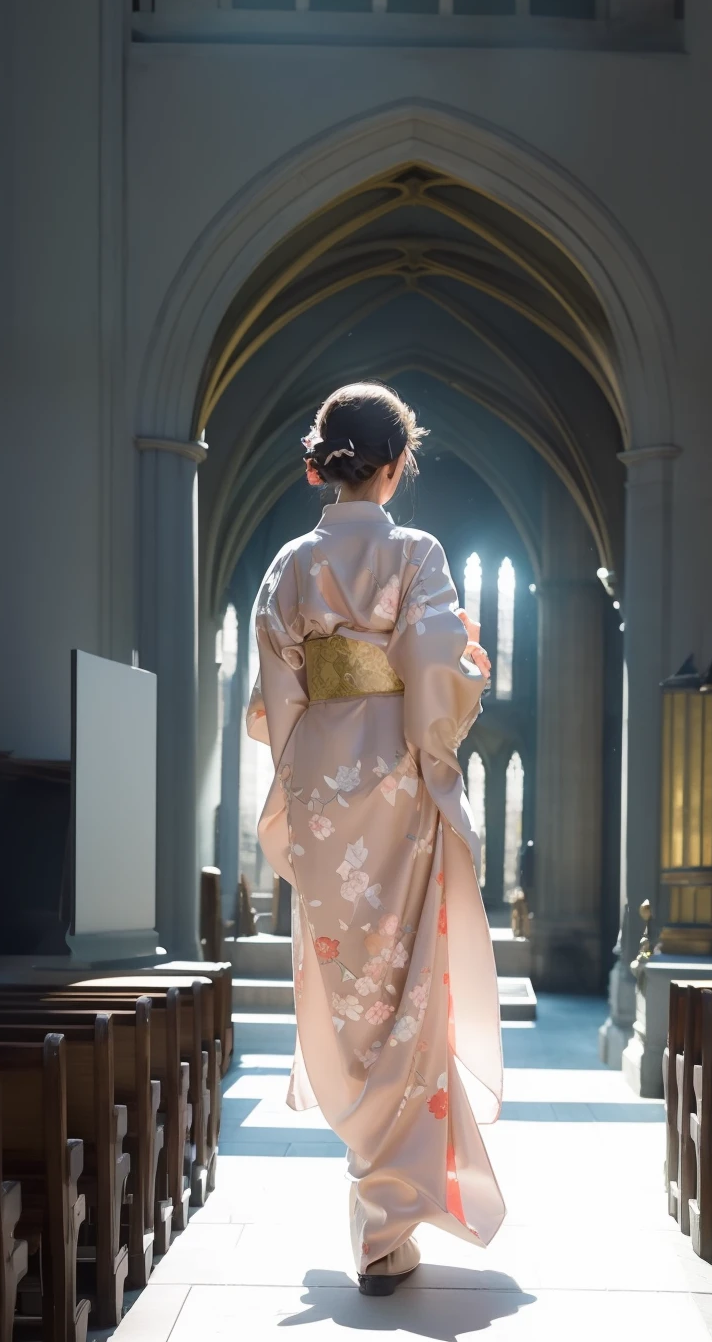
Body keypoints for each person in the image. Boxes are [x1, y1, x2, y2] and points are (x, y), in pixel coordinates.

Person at [245, 382, 505, 1293]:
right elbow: (438, 665)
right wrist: (465, 665)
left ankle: (379, 1196)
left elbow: (277, 696)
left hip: (324, 796)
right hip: (398, 785)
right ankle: (387, 1218)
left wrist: (312, 756)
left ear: (325, 464)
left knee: (347, 975)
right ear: (396, 466)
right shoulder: (416, 551)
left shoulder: (288, 564)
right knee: (409, 986)